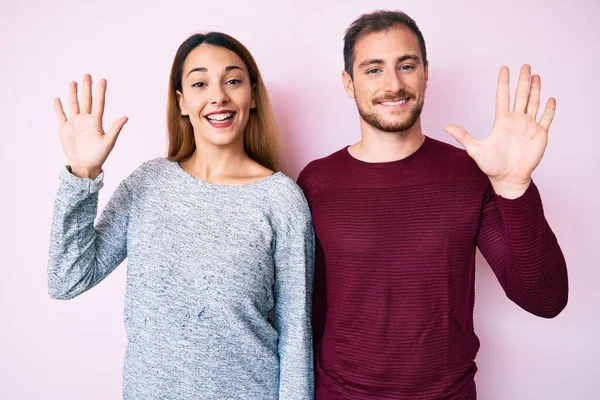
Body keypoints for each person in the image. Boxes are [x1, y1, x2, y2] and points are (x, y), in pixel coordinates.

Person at [297, 10, 568, 400]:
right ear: (348, 83)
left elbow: (546, 300)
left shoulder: (471, 173)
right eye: (373, 70)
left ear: (425, 73)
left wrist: (514, 186)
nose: (393, 84)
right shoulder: (317, 181)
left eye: (406, 65)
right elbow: (309, 312)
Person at [48, 32, 314, 400]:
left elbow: (296, 337)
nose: (218, 95)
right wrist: (81, 176)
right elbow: (66, 280)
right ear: (182, 102)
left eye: (233, 81)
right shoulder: (148, 184)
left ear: (252, 96)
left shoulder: (282, 200)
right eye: (200, 83)